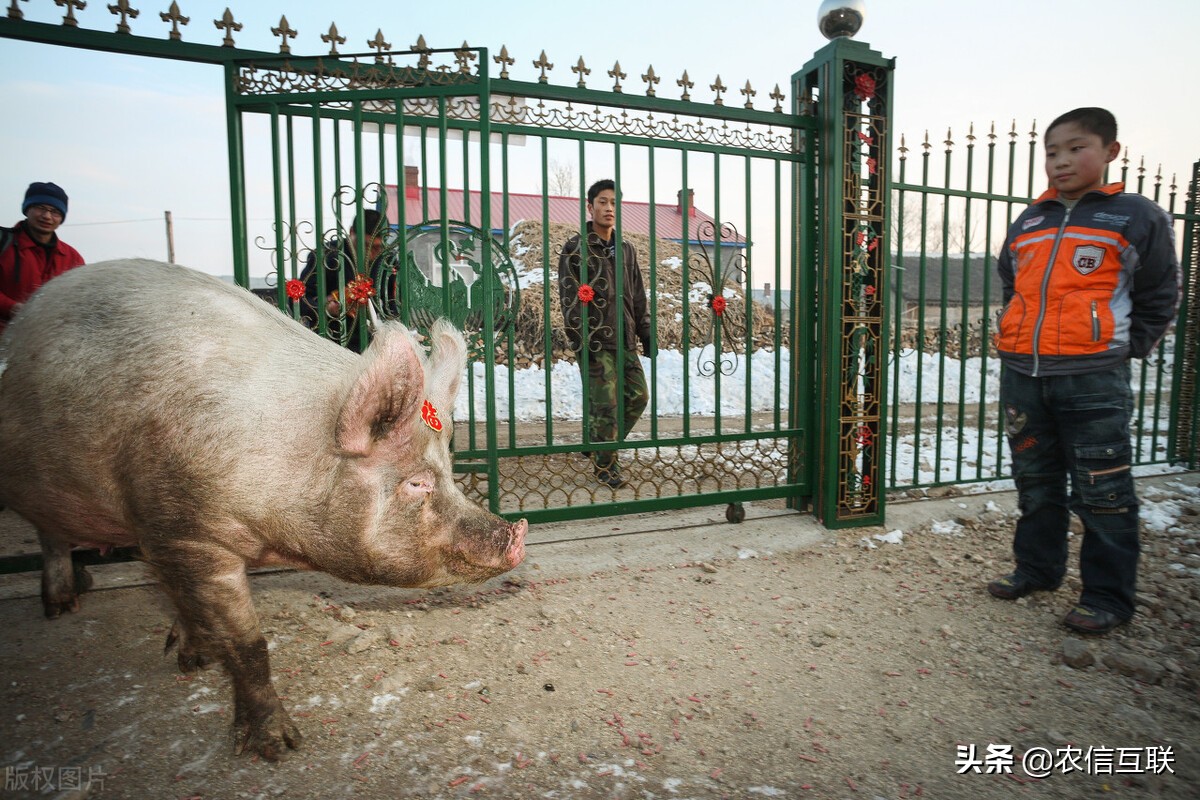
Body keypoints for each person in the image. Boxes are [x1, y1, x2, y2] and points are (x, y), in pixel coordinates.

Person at [987, 107, 1180, 635]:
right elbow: (1014, 286)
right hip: (1024, 376)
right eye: (1052, 152)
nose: (1062, 161)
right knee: (1035, 482)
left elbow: (1161, 293)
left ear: (1111, 151)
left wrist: (1123, 349)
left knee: (1103, 490)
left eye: (1076, 148)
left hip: (1094, 379)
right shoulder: (1029, 220)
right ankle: (1037, 569)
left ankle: (1107, 597)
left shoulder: (1136, 216)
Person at [557, 179, 654, 489]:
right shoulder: (576, 247)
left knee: (639, 396)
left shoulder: (626, 250)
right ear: (590, 206)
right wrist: (580, 337)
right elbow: (568, 297)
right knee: (606, 406)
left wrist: (646, 330)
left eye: (613, 202)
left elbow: (638, 294)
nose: (609, 207)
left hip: (625, 338)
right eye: (602, 201)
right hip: (595, 340)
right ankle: (605, 467)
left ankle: (598, 442)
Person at [299, 208, 389, 353]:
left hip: (373, 346)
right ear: (352, 232)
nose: (372, 253)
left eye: (378, 247)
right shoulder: (325, 256)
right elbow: (300, 299)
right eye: (366, 245)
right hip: (331, 344)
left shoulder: (387, 260)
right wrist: (325, 306)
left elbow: (395, 304)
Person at [0, 182, 85, 335]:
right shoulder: (3, 242)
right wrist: (12, 308)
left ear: (61, 217)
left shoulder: (72, 257)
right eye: (41, 208)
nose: (47, 216)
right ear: (27, 209)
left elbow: (80, 300)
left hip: (43, 345)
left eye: (55, 211)